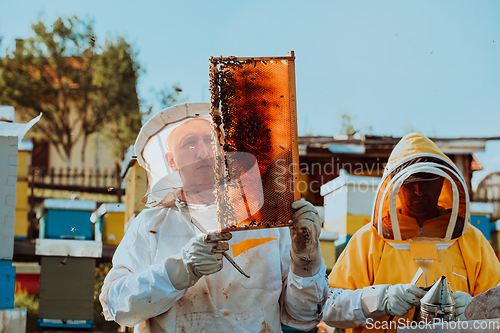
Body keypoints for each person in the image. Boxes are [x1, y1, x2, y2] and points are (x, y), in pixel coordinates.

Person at [99, 103, 328, 332]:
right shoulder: (150, 224)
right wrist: (179, 270)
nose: (203, 152)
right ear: (171, 161)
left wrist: (306, 258)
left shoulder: (266, 221)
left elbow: (304, 314)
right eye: (189, 144)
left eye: (210, 140)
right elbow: (116, 304)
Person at [322, 133, 500, 332]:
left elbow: (497, 305)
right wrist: (379, 300)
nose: (419, 190)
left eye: (428, 181)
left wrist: (476, 308)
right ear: (395, 185)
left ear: (443, 182)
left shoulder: (472, 240)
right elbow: (329, 308)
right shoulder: (368, 240)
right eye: (410, 181)